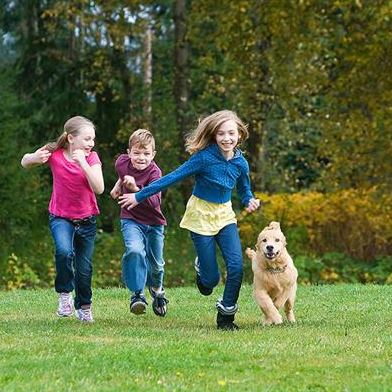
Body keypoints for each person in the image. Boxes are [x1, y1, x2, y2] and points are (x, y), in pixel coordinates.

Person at [118, 110, 260, 330]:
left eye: (231, 133)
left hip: (224, 216)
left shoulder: (241, 163)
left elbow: (244, 189)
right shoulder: (203, 158)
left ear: (239, 135)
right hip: (200, 216)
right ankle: (203, 270)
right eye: (221, 133)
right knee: (210, 282)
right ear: (214, 136)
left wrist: (249, 199)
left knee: (236, 267)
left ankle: (226, 318)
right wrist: (139, 195)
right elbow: (172, 177)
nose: (226, 138)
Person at [21, 116, 104, 323]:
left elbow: (99, 188)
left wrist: (83, 163)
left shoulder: (91, 158)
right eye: (87, 139)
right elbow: (25, 161)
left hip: (87, 220)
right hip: (60, 218)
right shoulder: (55, 153)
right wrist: (34, 158)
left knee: (84, 269)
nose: (91, 143)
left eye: (92, 139)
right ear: (70, 138)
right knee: (64, 252)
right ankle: (64, 295)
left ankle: (84, 307)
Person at [110, 129, 168, 317]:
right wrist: (118, 185)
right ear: (129, 152)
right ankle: (137, 294)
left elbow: (154, 202)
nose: (141, 158)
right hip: (131, 219)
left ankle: (157, 290)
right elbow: (122, 171)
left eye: (146, 154)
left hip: (154, 223)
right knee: (135, 251)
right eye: (136, 153)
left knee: (156, 264)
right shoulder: (121, 162)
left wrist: (135, 189)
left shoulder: (155, 173)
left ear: (153, 154)